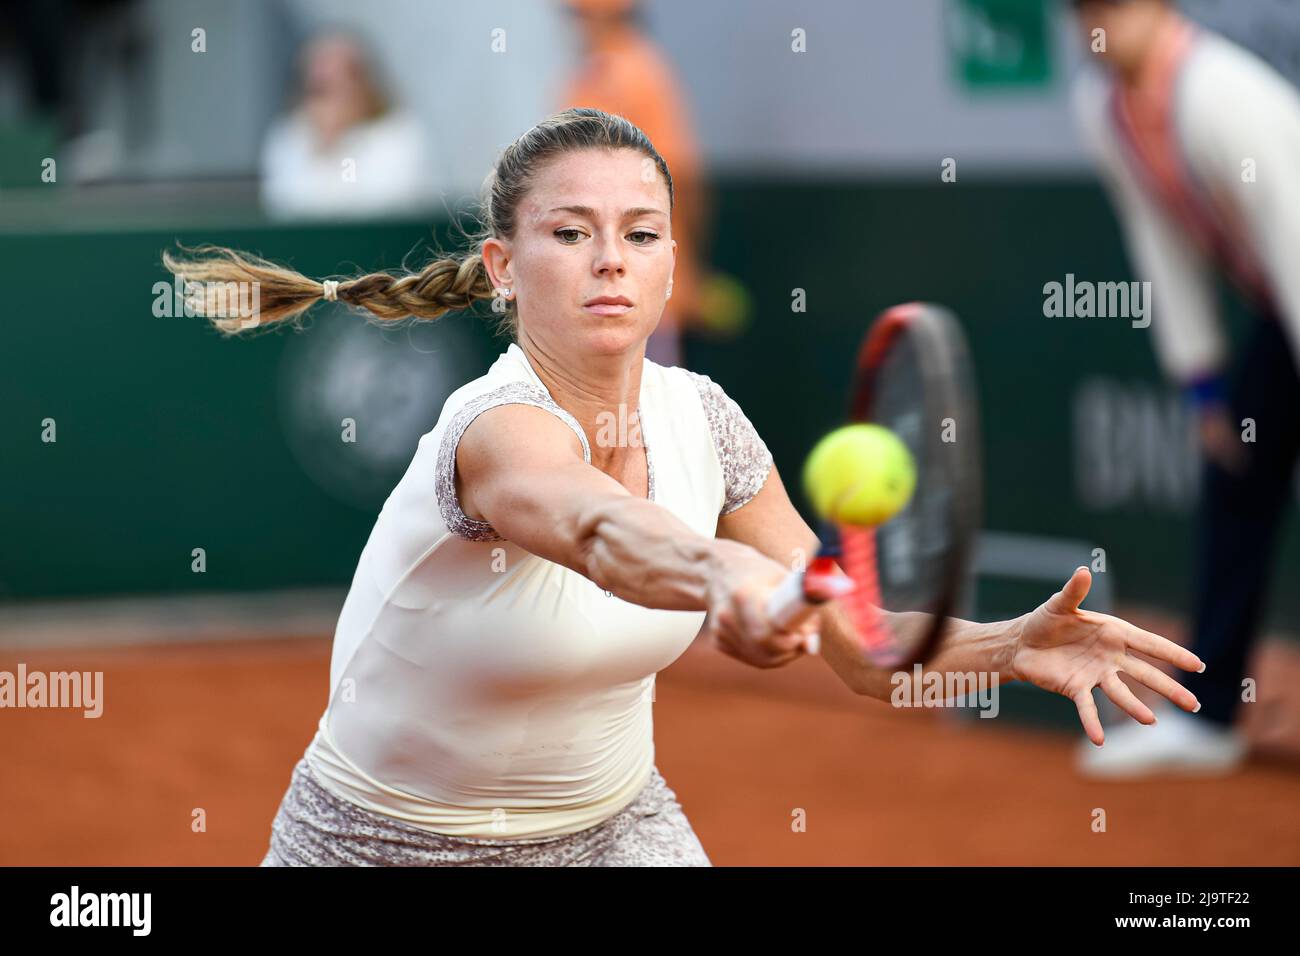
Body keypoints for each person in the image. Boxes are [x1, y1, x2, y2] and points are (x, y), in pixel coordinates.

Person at [165, 108, 1203, 866]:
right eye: (569, 232)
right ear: (502, 267)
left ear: (673, 266)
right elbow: (604, 531)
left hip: (617, 828)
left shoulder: (703, 414)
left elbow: (864, 651)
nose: (609, 260)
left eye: (642, 233)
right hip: (381, 844)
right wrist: (722, 579)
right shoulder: (493, 430)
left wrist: (1006, 647)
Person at [1068, 0, 1300, 777]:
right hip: (1280, 309)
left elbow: (1291, 233)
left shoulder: (1220, 94)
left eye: (1111, 7)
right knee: (1235, 481)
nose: (1094, 25)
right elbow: (1160, 241)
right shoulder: (1105, 110)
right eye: (1079, 11)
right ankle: (1209, 723)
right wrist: (1205, 390)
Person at [558, 0, 707, 368]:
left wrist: (687, 270)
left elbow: (682, 180)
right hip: (602, 286)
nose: (574, 22)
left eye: (579, 12)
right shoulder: (590, 76)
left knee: (649, 408)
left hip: (638, 285)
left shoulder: (637, 73)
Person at [260, 28, 442, 220]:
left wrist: (341, 144)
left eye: (337, 80)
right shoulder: (289, 137)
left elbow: (373, 209)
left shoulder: (400, 136)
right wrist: (325, 148)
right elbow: (288, 207)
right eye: (319, 87)